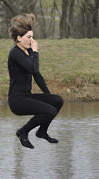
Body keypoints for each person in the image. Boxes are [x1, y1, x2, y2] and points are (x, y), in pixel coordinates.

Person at [7, 14, 63, 149]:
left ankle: (42, 131)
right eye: (29, 37)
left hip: (26, 97)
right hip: (17, 101)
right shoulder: (15, 53)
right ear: (19, 38)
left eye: (32, 37)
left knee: (57, 101)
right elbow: (33, 67)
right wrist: (35, 51)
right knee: (49, 111)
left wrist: (48, 95)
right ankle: (22, 132)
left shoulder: (27, 52)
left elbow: (37, 74)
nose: (31, 41)